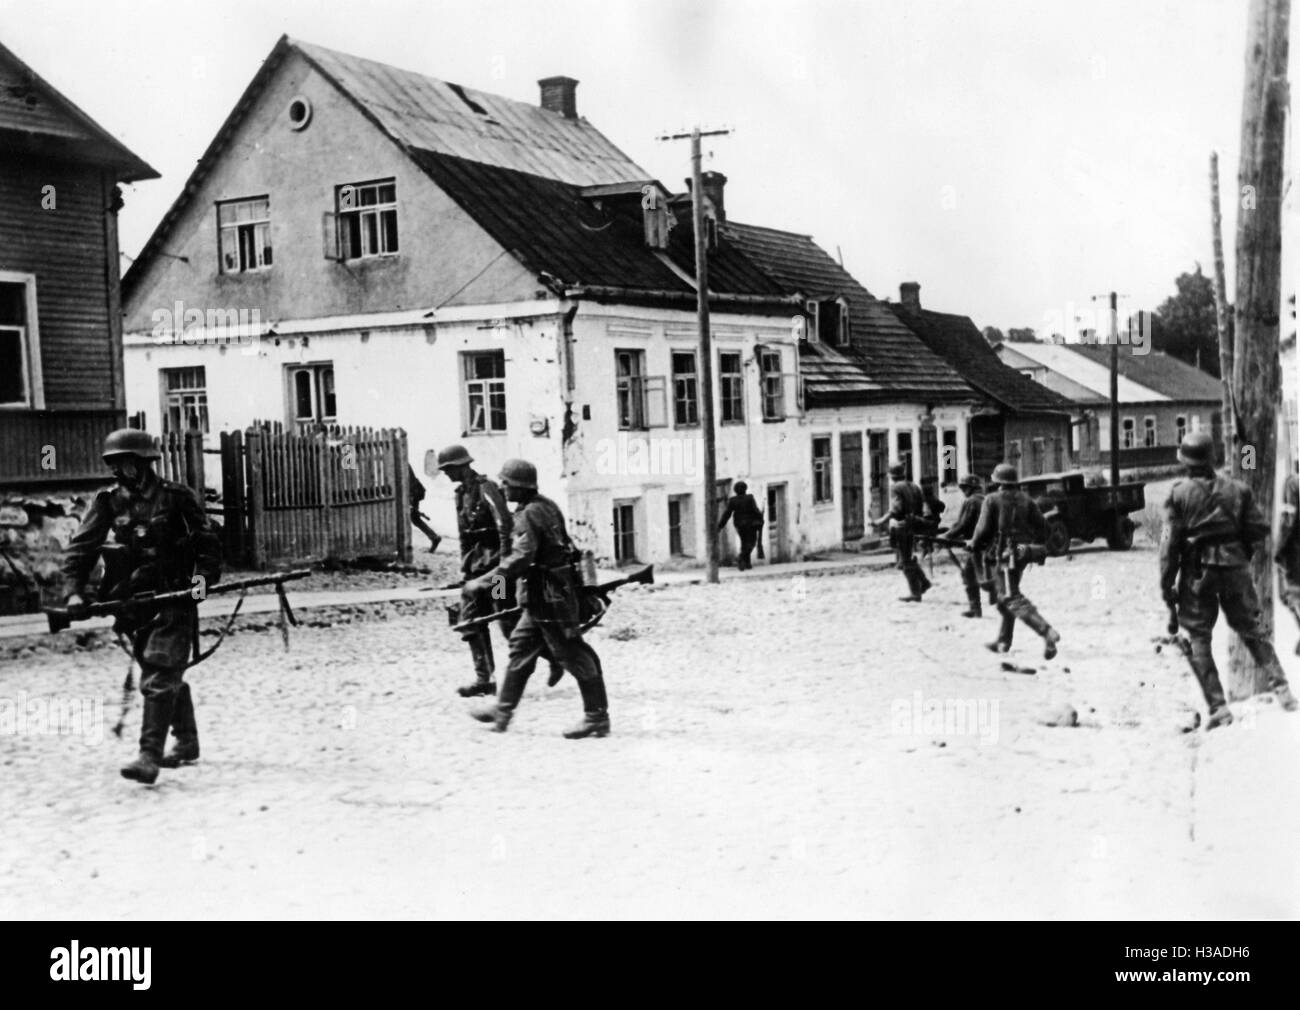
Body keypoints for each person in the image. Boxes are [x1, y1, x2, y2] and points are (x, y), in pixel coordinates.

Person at [61, 429, 222, 784]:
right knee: (157, 666)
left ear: (145, 463)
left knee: (161, 669)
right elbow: (82, 548)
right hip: (133, 601)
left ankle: (148, 756)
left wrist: (203, 579)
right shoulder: (107, 502)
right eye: (114, 463)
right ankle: (187, 742)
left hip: (175, 595)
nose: (119, 470)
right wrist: (74, 591)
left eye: (126, 462)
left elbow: (209, 544)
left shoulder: (177, 498)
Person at [1161, 431, 1297, 728]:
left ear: (1185, 462)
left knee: (1198, 637)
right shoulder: (1239, 489)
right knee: (1252, 628)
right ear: (1212, 457)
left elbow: (1169, 547)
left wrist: (1166, 585)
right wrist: (1240, 553)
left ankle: (1219, 708)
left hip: (1198, 574)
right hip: (1235, 568)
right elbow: (1258, 530)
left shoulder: (1177, 494)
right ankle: (1283, 690)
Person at [467, 459, 610, 738]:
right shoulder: (544, 505)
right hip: (539, 593)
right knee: (520, 647)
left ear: (519, 486)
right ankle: (503, 711)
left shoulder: (524, 510)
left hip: (547, 595)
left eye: (506, 483)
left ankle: (596, 717)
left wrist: (488, 585)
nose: (502, 488)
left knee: (572, 653)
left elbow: (518, 555)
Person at [436, 444, 562, 697]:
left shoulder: (487, 488)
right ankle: (485, 678)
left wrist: (504, 565)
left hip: (496, 567)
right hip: (476, 568)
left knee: (505, 618)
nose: (446, 474)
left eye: (449, 469)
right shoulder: (461, 493)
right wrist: (465, 568)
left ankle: (555, 656)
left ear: (462, 466)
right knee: (469, 618)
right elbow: (465, 536)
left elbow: (504, 525)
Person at [968, 462, 1061, 659]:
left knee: (1011, 598)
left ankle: (1047, 632)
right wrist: (1028, 545)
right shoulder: (1026, 500)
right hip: (1021, 554)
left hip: (1003, 557)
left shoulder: (991, 499)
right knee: (1006, 597)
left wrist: (974, 544)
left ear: (997, 482)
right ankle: (1003, 641)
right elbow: (1045, 528)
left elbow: (982, 529)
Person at [871, 462, 930, 601]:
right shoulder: (914, 486)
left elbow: (896, 509)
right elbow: (922, 505)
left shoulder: (895, 488)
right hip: (915, 524)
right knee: (908, 557)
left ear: (891, 475)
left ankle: (915, 593)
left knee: (904, 560)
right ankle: (924, 582)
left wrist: (880, 521)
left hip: (903, 526)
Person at [946, 474, 989, 618]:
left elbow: (964, 524)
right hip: (987, 542)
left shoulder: (971, 501)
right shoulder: (986, 499)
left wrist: (948, 535)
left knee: (975, 576)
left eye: (965, 487)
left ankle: (976, 607)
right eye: (962, 487)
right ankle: (975, 609)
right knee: (971, 574)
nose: (963, 490)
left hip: (976, 544)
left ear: (971, 488)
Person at [1277, 462, 1300, 653]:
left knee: (1288, 594)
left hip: (1296, 552)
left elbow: (1289, 521)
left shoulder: (1293, 483)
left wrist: (1278, 550)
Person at [717, 481, 764, 570]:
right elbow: (755, 510)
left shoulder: (732, 500)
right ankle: (741, 558)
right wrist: (760, 517)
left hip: (739, 524)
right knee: (752, 543)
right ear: (745, 489)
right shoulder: (750, 498)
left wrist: (720, 525)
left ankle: (747, 563)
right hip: (750, 524)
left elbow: (727, 514)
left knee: (744, 542)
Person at [407, 464, 441, 553]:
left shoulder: (401, 461)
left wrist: (410, 500)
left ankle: (434, 537)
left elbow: (409, 481)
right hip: (412, 491)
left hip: (412, 491)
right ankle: (434, 537)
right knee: (414, 518)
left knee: (413, 518)